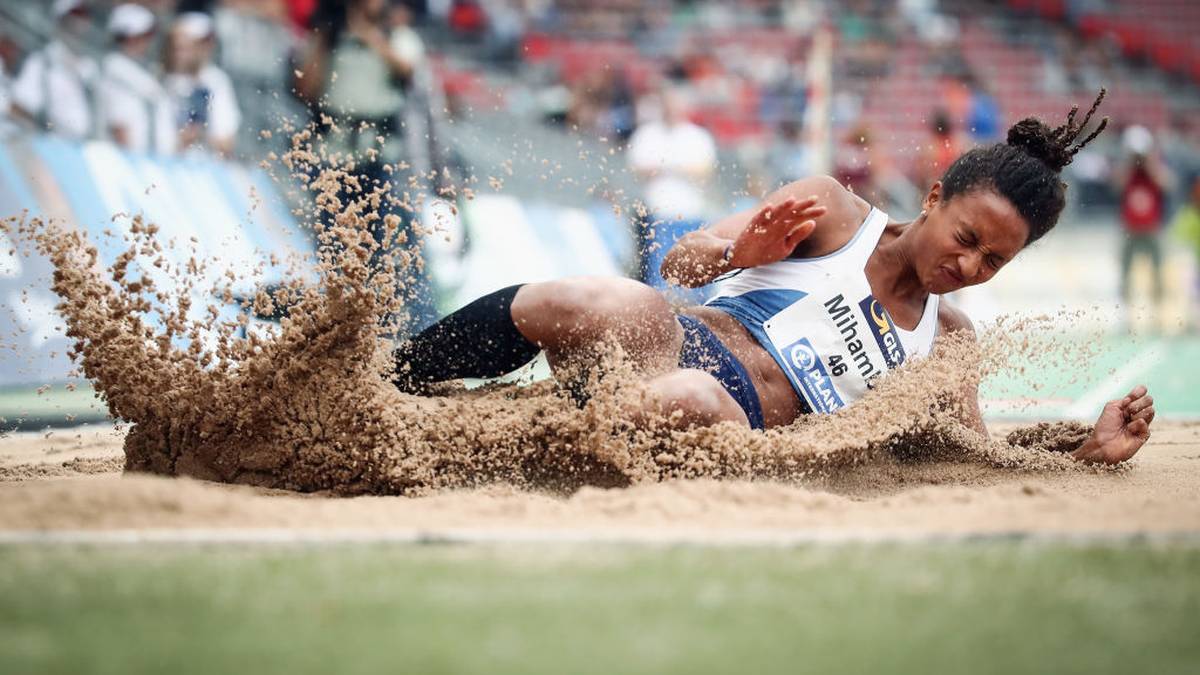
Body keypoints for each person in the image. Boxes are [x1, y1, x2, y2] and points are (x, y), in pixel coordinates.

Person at [391, 91, 1155, 466]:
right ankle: (391, 380)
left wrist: (1083, 454)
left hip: (734, 425)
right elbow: (676, 265)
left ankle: (501, 443)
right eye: (966, 239)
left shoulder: (946, 340)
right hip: (674, 342)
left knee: (690, 397)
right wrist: (738, 256)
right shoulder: (830, 211)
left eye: (994, 262)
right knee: (603, 296)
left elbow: (964, 457)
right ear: (933, 199)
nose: (969, 266)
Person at [296, 0, 436, 335]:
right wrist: (327, 40)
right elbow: (306, 89)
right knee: (332, 242)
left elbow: (407, 70)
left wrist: (370, 36)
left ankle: (379, 326)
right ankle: (335, 319)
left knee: (375, 246)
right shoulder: (329, 37)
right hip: (331, 153)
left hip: (378, 155)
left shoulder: (396, 35)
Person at [627, 88, 718, 302]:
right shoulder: (648, 134)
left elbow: (704, 170)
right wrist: (679, 168)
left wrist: (666, 166)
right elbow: (640, 168)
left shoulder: (697, 136)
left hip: (690, 211)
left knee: (693, 269)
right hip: (658, 212)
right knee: (657, 271)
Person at [1114, 124, 1175, 331]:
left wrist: (1149, 164)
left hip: (1151, 229)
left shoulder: (1154, 171)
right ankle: (1127, 318)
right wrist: (1130, 165)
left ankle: (1158, 315)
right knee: (1126, 274)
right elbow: (1116, 185)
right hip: (1130, 230)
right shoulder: (1127, 172)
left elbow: (1167, 184)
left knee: (1157, 273)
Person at [11, 0, 98, 141]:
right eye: (74, 16)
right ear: (59, 21)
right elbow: (19, 107)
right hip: (54, 148)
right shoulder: (41, 61)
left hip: (85, 151)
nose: (80, 24)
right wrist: (45, 134)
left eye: (84, 16)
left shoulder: (89, 68)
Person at [97, 3, 176, 154]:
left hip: (151, 162)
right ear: (129, 37)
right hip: (129, 162)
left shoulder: (141, 70)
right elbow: (120, 127)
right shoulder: (115, 68)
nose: (148, 41)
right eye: (144, 34)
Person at [163, 12, 241, 157]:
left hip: (204, 167)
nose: (181, 52)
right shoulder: (162, 79)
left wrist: (198, 135)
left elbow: (226, 141)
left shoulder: (216, 80)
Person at [1171, 175, 1200, 332]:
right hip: (1195, 263)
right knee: (1191, 289)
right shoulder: (1189, 214)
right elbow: (1178, 239)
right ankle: (1190, 321)